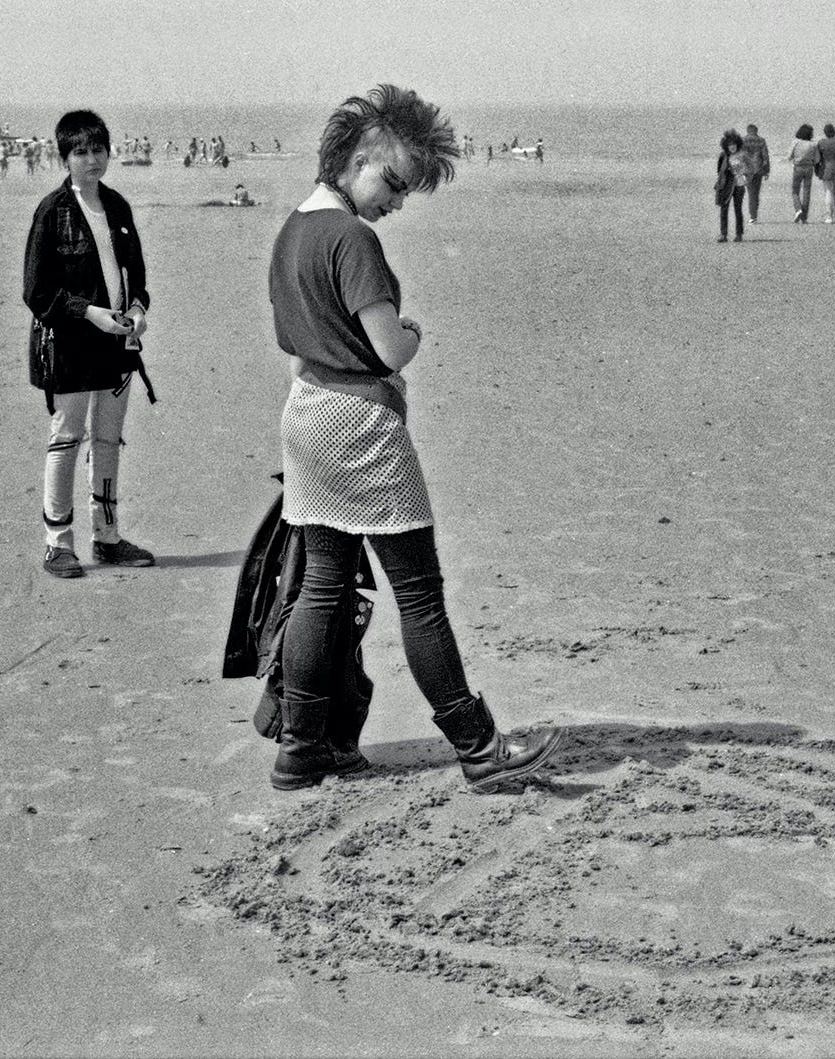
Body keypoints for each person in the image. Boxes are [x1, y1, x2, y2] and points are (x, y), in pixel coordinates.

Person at [263, 83, 562, 792]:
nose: (396, 202)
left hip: (305, 414)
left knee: (323, 585)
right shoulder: (351, 238)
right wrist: (414, 333)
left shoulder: (293, 230)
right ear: (357, 158)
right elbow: (389, 349)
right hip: (360, 426)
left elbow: (295, 344)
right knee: (419, 591)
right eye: (394, 184)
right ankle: (478, 745)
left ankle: (301, 747)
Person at [23, 109, 156, 579]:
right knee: (66, 440)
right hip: (70, 348)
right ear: (65, 158)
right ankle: (57, 544)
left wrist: (136, 310)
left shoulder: (117, 207)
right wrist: (90, 313)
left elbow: (137, 276)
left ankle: (107, 537)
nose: (92, 159)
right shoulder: (52, 211)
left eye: (98, 149)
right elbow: (37, 292)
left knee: (107, 440)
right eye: (80, 152)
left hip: (118, 347)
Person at [714, 129, 746, 242]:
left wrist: (735, 169)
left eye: (734, 144)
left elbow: (743, 170)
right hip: (726, 185)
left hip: (739, 186)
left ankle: (739, 234)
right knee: (724, 209)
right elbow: (719, 170)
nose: (732, 147)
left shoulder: (742, 155)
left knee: (738, 210)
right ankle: (723, 234)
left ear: (737, 144)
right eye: (730, 145)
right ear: (726, 145)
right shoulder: (723, 155)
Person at [739, 123, 770, 224]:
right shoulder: (761, 140)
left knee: (751, 193)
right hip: (758, 169)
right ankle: (754, 215)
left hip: (747, 171)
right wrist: (766, 171)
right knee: (756, 193)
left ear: (748, 131)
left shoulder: (742, 141)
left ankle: (753, 217)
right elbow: (765, 157)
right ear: (756, 131)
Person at [787, 123, 816, 223]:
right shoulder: (813, 144)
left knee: (795, 191)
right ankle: (804, 217)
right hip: (809, 168)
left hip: (798, 168)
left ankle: (798, 209)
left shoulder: (796, 142)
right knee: (807, 192)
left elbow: (789, 156)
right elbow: (816, 159)